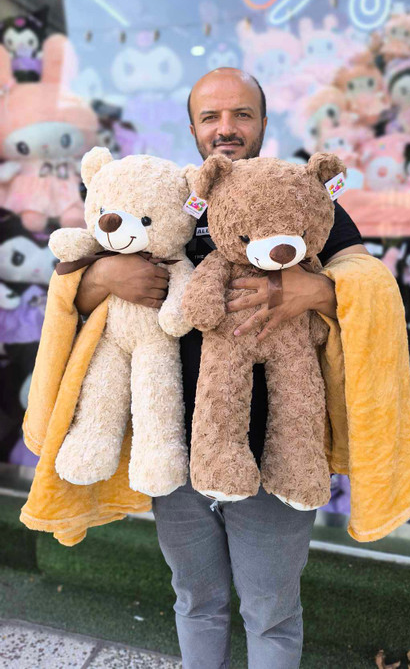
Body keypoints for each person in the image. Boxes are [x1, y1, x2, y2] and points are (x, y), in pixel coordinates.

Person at [75, 68, 368, 669]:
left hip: (277, 451)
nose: (226, 128)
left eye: (242, 114)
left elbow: (372, 289)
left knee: (271, 612)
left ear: (263, 123)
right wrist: (102, 277)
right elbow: (73, 301)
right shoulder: (164, 195)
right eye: (211, 116)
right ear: (193, 128)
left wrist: (313, 290)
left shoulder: (302, 196)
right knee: (195, 600)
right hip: (176, 447)